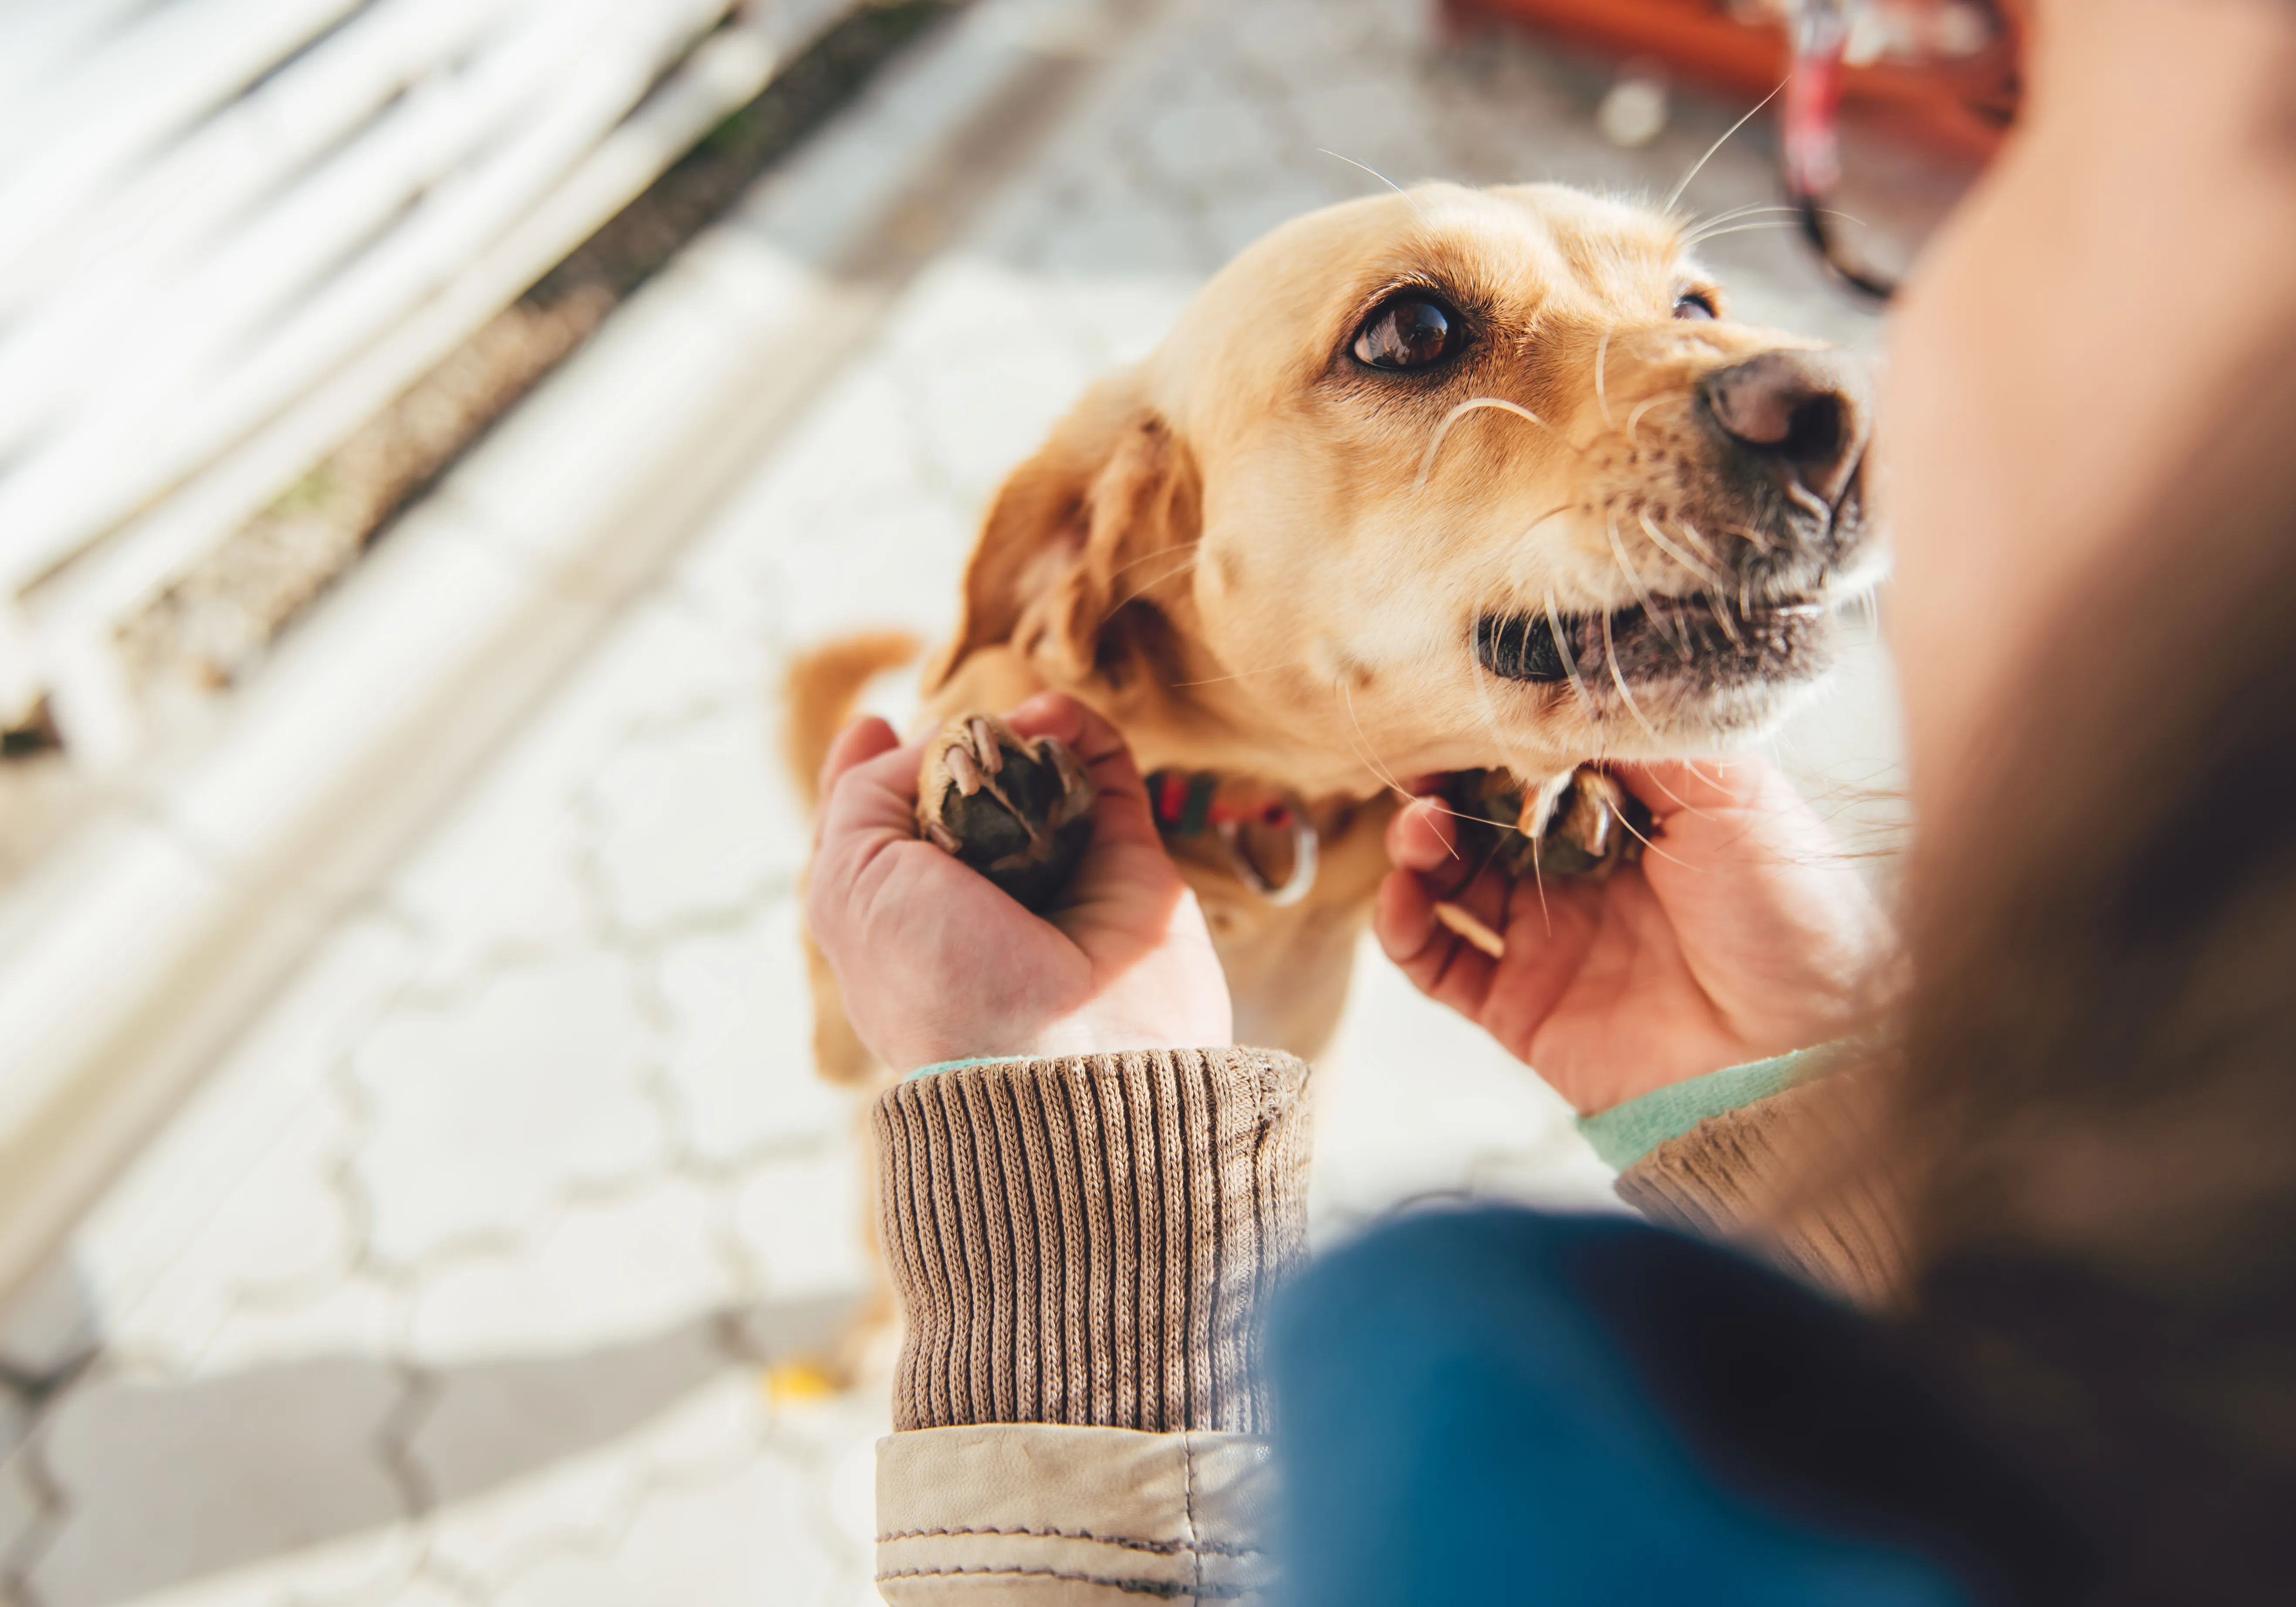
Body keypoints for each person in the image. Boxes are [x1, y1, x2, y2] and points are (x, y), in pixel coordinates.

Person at [809, 0, 2296, 1597]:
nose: (1779, 382)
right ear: (1096, 546)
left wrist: (1064, 1266)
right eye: (1420, 340)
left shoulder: (1492, 1447)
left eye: (1689, 296)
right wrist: (1787, 1090)